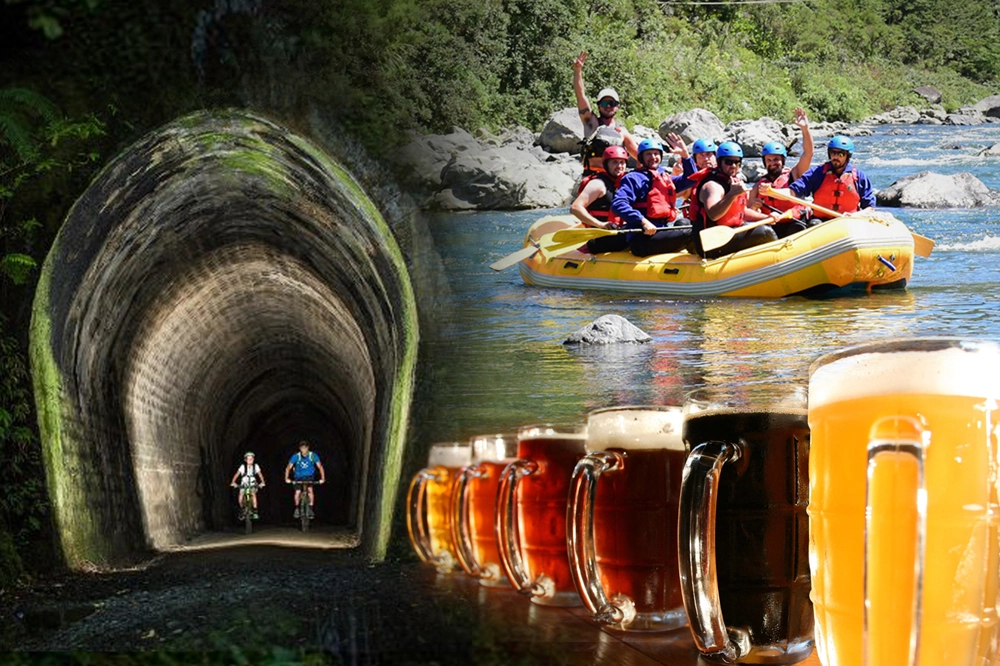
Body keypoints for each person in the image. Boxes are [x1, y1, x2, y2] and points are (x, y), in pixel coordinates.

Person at [691, 142, 782, 259]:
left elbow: (741, 211)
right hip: (711, 243)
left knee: (766, 226)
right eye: (728, 162)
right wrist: (732, 194)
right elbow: (713, 215)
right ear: (719, 162)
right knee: (764, 232)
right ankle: (777, 262)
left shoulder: (732, 182)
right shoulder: (712, 186)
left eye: (737, 162)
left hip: (730, 233)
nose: (733, 165)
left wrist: (766, 218)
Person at [611, 136, 698, 257]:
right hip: (642, 238)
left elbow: (692, 178)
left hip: (661, 231)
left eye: (656, 154)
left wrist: (685, 156)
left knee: (685, 223)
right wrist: (642, 221)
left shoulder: (664, 177)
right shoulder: (633, 178)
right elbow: (618, 204)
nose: (653, 157)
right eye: (648, 154)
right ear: (641, 157)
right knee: (690, 232)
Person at [748, 108, 815, 238]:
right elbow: (749, 212)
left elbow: (808, 153)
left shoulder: (794, 174)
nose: (773, 163)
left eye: (776, 159)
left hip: (794, 223)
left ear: (783, 161)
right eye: (769, 160)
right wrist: (755, 208)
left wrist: (805, 130)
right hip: (772, 226)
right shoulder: (758, 186)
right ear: (764, 162)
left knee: (797, 228)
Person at [573, 50, 638, 172]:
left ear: (617, 106)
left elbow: (641, 157)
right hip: (592, 176)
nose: (608, 106)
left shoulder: (622, 133)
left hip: (614, 179)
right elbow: (580, 95)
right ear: (598, 106)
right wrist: (577, 71)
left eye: (612, 103)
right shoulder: (591, 123)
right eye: (604, 103)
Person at [785, 135, 875, 216]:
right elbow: (793, 191)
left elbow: (870, 208)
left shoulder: (859, 177)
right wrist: (772, 191)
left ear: (848, 156)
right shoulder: (817, 172)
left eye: (840, 154)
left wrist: (855, 216)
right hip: (820, 222)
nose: (835, 157)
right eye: (833, 153)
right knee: (814, 223)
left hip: (848, 221)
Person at [571, 145, 632, 254]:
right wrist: (601, 224)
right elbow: (575, 208)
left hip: (618, 233)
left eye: (622, 162)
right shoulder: (598, 184)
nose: (619, 166)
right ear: (606, 164)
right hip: (599, 237)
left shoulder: (625, 183)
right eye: (614, 162)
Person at [284, 440, 325, 519]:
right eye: (302, 448)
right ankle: (296, 508)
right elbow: (288, 467)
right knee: (297, 492)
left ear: (308, 448)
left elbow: (320, 467)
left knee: (310, 490)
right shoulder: (296, 456)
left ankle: (310, 509)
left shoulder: (313, 455)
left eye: (305, 448)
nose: (304, 450)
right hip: (298, 476)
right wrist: (286, 478)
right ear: (299, 448)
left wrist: (322, 478)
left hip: (309, 476)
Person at [230, 451, 265, 520]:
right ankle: (242, 509)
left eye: (251, 459)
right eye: (248, 459)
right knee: (241, 495)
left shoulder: (256, 466)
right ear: (245, 460)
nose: (250, 461)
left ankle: (255, 511)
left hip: (252, 483)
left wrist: (262, 482)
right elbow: (237, 474)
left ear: (253, 459)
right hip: (244, 484)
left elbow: (260, 474)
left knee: (253, 494)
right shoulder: (242, 467)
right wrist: (233, 482)